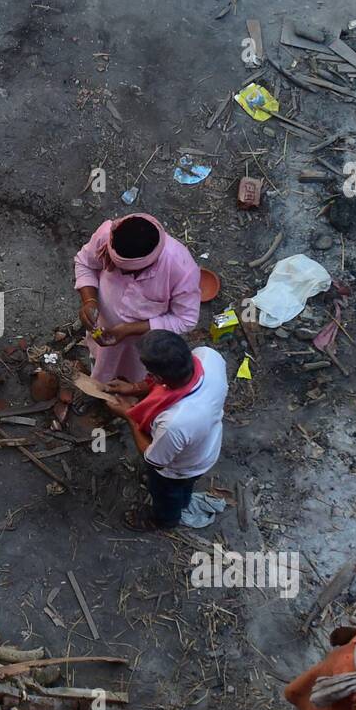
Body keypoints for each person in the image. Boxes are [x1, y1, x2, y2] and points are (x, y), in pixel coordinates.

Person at [101, 329, 227, 530]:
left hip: (180, 467)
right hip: (206, 444)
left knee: (167, 493)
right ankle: (181, 499)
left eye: (150, 374)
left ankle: (163, 520)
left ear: (159, 378)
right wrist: (134, 388)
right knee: (181, 488)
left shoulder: (175, 423)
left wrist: (129, 416)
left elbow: (154, 460)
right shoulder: (208, 357)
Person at [74, 213, 202, 385]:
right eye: (117, 267)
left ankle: (126, 392)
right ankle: (98, 385)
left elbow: (186, 320)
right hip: (103, 327)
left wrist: (130, 329)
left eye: (130, 272)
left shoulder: (181, 270)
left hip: (141, 345)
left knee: (134, 376)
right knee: (99, 360)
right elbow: (85, 263)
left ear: (151, 263)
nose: (122, 274)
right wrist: (89, 301)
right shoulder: (108, 234)